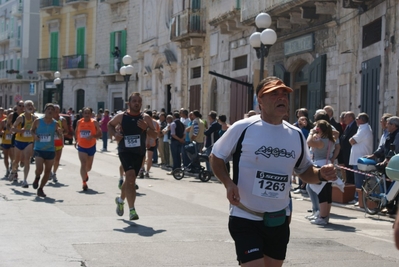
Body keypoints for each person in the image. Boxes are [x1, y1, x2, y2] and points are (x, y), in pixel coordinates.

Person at [210, 76, 337, 266]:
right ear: (260, 100)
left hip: (278, 219)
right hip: (245, 215)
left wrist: (320, 174)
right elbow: (216, 156)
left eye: (284, 94)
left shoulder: (295, 135)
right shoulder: (243, 128)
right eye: (274, 94)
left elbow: (304, 171)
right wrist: (228, 184)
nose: (282, 98)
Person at [108, 92, 156, 220]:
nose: (137, 103)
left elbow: (155, 135)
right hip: (125, 151)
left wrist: (146, 128)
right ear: (129, 103)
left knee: (131, 180)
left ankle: (120, 199)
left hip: (139, 152)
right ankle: (132, 210)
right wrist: (114, 134)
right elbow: (110, 125)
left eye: (139, 101)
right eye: (134, 101)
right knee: (129, 177)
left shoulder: (145, 118)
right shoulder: (121, 117)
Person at [306, 120, 337, 225]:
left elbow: (309, 142)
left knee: (322, 194)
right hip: (328, 164)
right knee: (328, 193)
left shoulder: (321, 141)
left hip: (320, 166)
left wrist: (311, 132)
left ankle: (322, 217)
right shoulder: (330, 140)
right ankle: (325, 216)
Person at [30, 103, 62, 197]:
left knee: (47, 172)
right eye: (48, 109)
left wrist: (60, 133)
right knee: (39, 169)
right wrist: (34, 136)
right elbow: (32, 130)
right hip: (39, 149)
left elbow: (59, 135)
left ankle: (40, 189)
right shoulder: (38, 121)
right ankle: (37, 177)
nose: (50, 111)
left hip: (50, 149)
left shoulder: (55, 123)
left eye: (52, 109)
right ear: (45, 111)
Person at [10, 100, 37, 188]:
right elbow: (12, 129)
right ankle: (13, 171)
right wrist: (19, 131)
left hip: (28, 141)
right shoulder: (20, 118)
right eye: (28, 105)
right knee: (16, 161)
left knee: (27, 160)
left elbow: (38, 129)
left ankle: (25, 180)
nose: (30, 107)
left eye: (31, 106)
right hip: (19, 141)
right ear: (24, 108)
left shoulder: (34, 118)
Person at [348, 113, 373, 205]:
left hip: (361, 158)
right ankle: (358, 197)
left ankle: (359, 198)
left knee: (360, 179)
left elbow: (352, 140)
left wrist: (351, 140)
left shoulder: (364, 129)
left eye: (357, 118)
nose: (356, 120)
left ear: (361, 120)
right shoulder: (361, 128)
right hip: (357, 158)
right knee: (358, 178)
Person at [75, 107, 101, 191]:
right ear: (82, 114)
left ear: (91, 114)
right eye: (85, 113)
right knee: (83, 163)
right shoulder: (79, 122)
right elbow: (76, 131)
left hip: (91, 146)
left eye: (88, 113)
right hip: (82, 146)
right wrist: (76, 140)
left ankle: (85, 173)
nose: (86, 115)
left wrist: (93, 136)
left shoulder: (94, 122)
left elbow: (100, 134)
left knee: (88, 167)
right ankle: (84, 183)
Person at [50, 104, 68, 183]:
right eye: (55, 110)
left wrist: (61, 132)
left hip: (58, 141)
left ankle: (54, 173)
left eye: (57, 110)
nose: (56, 111)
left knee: (57, 159)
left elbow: (67, 131)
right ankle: (49, 171)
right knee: (50, 159)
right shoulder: (48, 119)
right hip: (49, 142)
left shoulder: (62, 120)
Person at [339, 111, 358, 184]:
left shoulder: (355, 126)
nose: (344, 119)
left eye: (346, 117)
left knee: (350, 170)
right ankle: (349, 182)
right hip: (345, 152)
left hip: (350, 151)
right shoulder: (348, 126)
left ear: (350, 117)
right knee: (347, 168)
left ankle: (351, 184)